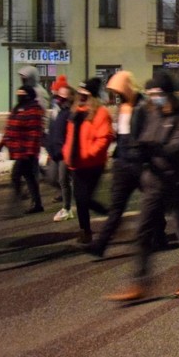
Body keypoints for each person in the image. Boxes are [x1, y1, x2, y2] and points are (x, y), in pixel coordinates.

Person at [106, 73, 179, 301]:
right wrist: (137, 151)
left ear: (169, 93)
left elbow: (174, 148)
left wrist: (147, 147)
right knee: (143, 231)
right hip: (155, 181)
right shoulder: (153, 113)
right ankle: (139, 284)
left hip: (178, 183)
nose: (154, 99)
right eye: (150, 95)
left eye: (158, 94)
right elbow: (142, 139)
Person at [85, 71, 160, 258]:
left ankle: (159, 237)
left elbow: (150, 134)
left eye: (118, 90)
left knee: (153, 203)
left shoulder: (144, 105)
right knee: (117, 208)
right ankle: (100, 245)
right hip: (123, 164)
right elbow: (122, 135)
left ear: (127, 86)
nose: (116, 95)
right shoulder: (122, 106)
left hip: (141, 164)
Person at [63, 78, 114, 244]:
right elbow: (70, 136)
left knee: (85, 198)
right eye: (80, 93)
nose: (81, 96)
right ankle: (85, 232)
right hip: (76, 163)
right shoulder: (75, 111)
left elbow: (104, 138)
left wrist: (88, 154)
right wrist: (67, 153)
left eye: (85, 94)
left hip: (93, 164)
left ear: (92, 96)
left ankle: (110, 213)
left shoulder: (101, 113)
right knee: (80, 199)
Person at [0, 85, 46, 217]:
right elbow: (10, 128)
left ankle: (16, 205)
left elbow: (35, 133)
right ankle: (37, 204)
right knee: (29, 177)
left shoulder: (33, 110)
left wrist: (30, 152)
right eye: (18, 93)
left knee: (15, 176)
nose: (19, 96)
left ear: (28, 95)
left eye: (22, 94)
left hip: (25, 152)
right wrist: (2, 143)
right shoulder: (18, 108)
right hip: (18, 149)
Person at [47, 85, 75, 221]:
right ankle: (70, 193)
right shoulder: (55, 111)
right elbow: (52, 131)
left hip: (64, 152)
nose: (60, 98)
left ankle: (67, 208)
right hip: (54, 151)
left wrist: (67, 149)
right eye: (59, 95)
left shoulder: (70, 112)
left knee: (63, 180)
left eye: (64, 95)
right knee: (52, 177)